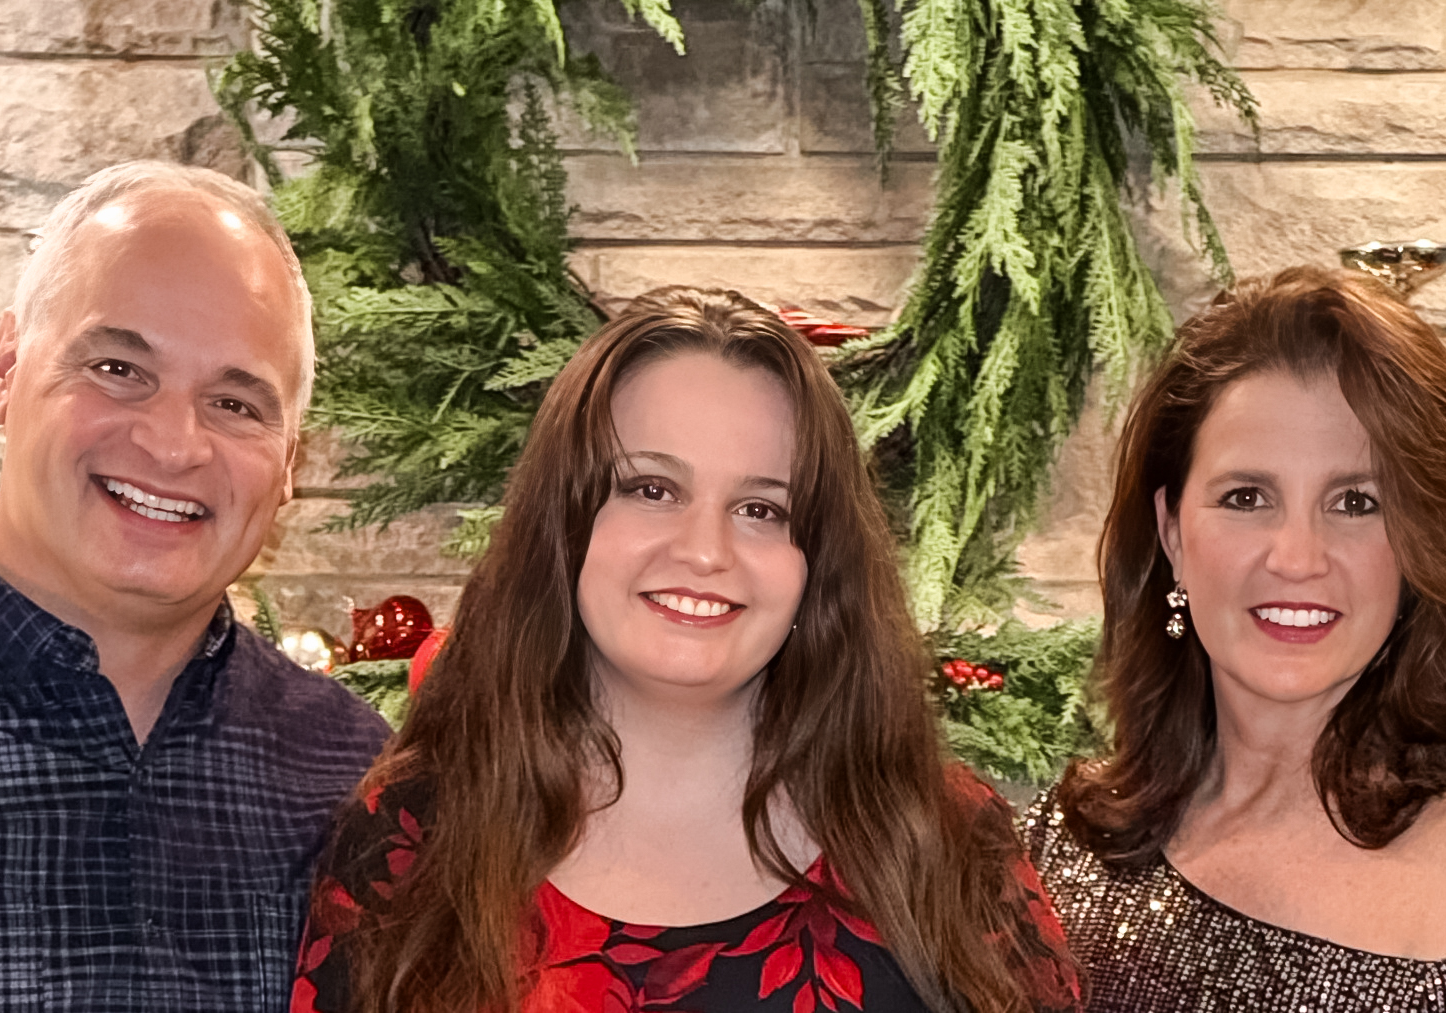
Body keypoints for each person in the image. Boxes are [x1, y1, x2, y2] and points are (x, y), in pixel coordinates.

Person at [291, 287, 1081, 1013]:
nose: (706, 550)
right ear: (565, 525)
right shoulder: (412, 832)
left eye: (762, 508)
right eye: (651, 489)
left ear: (818, 563)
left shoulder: (945, 837)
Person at [0, 162, 390, 1012]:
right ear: (7, 370)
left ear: (289, 468)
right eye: (119, 368)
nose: (173, 444)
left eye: (237, 403)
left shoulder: (355, 773)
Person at [1022, 265, 1446, 1011]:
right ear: (1173, 530)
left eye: (1356, 502)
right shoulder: (1063, 844)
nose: (1298, 557)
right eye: (1247, 497)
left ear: (1420, 544)